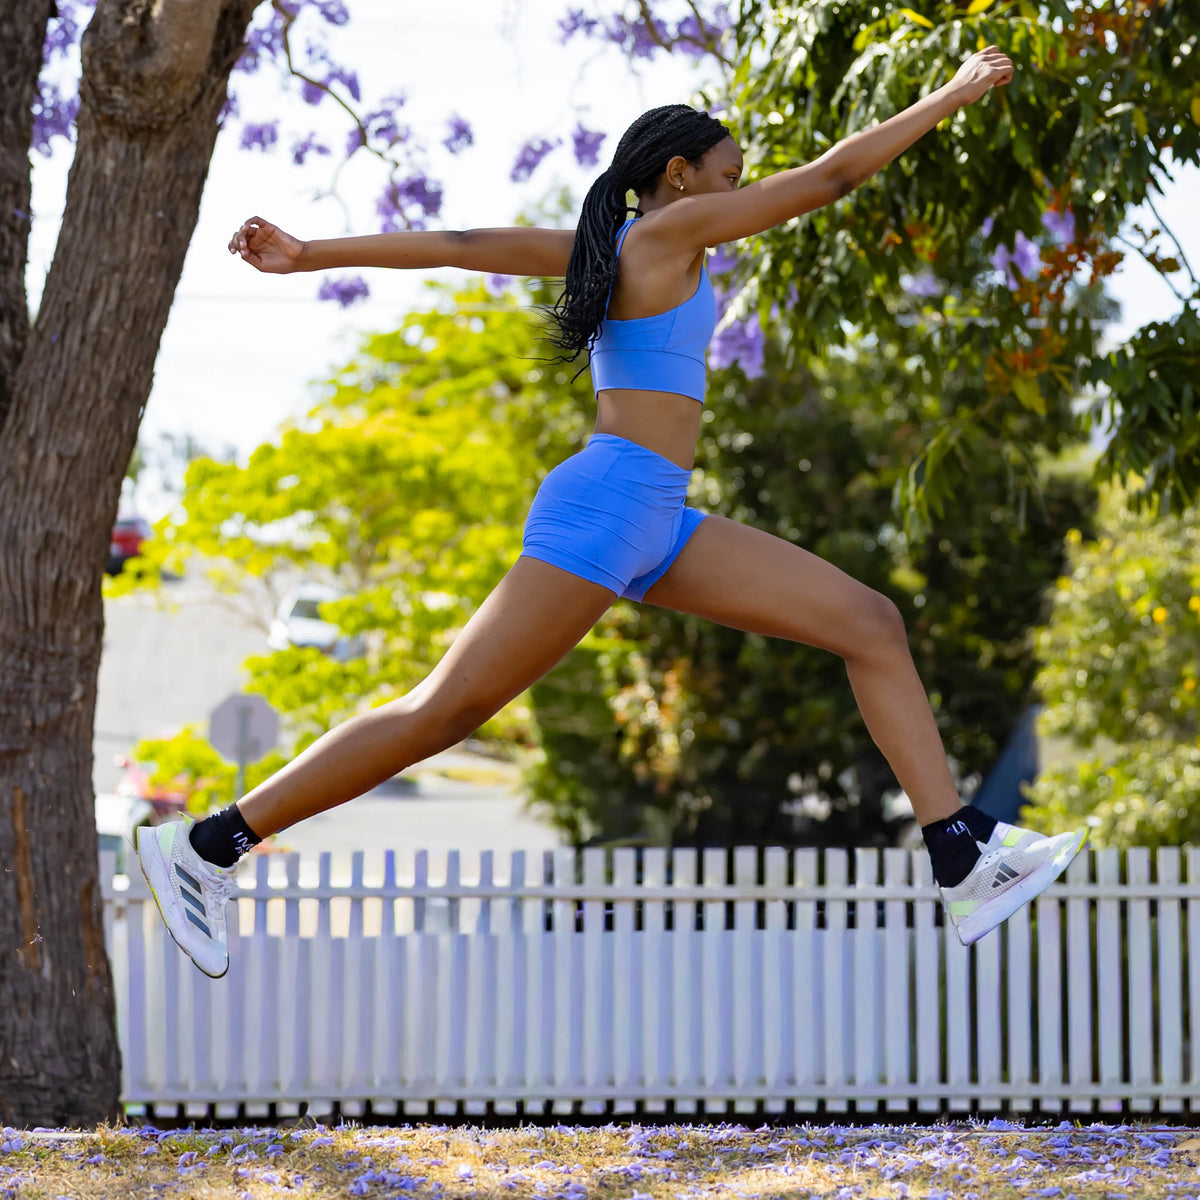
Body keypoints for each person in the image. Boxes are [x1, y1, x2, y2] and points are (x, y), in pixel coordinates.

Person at [138, 46, 1086, 979]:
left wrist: (312, 256)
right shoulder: (668, 236)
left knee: (869, 623)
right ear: (679, 176)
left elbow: (467, 246)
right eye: (726, 177)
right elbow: (833, 176)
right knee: (444, 709)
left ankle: (960, 851)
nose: (735, 193)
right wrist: (952, 94)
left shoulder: (624, 246)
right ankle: (211, 845)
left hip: (658, 516)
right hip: (609, 503)